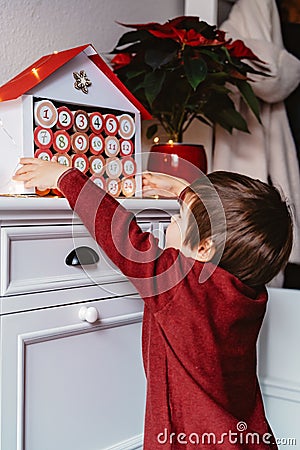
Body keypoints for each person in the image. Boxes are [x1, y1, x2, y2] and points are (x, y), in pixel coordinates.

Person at [13, 158, 293, 449]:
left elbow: (123, 236)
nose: (172, 220)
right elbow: (218, 230)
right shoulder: (250, 292)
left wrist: (65, 177)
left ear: (203, 248)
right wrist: (184, 192)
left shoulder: (180, 283)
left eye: (180, 218)